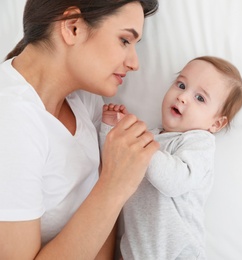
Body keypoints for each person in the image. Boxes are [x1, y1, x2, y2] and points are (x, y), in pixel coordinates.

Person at [0, 0, 160, 259]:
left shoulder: (84, 100)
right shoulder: (10, 120)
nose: (134, 63)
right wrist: (114, 184)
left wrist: (109, 175)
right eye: (124, 40)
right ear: (73, 27)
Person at [100, 56, 242, 259]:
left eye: (200, 98)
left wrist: (139, 143)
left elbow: (175, 181)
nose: (183, 96)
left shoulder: (198, 142)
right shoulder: (149, 136)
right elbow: (111, 162)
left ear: (216, 124)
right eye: (181, 84)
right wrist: (110, 128)